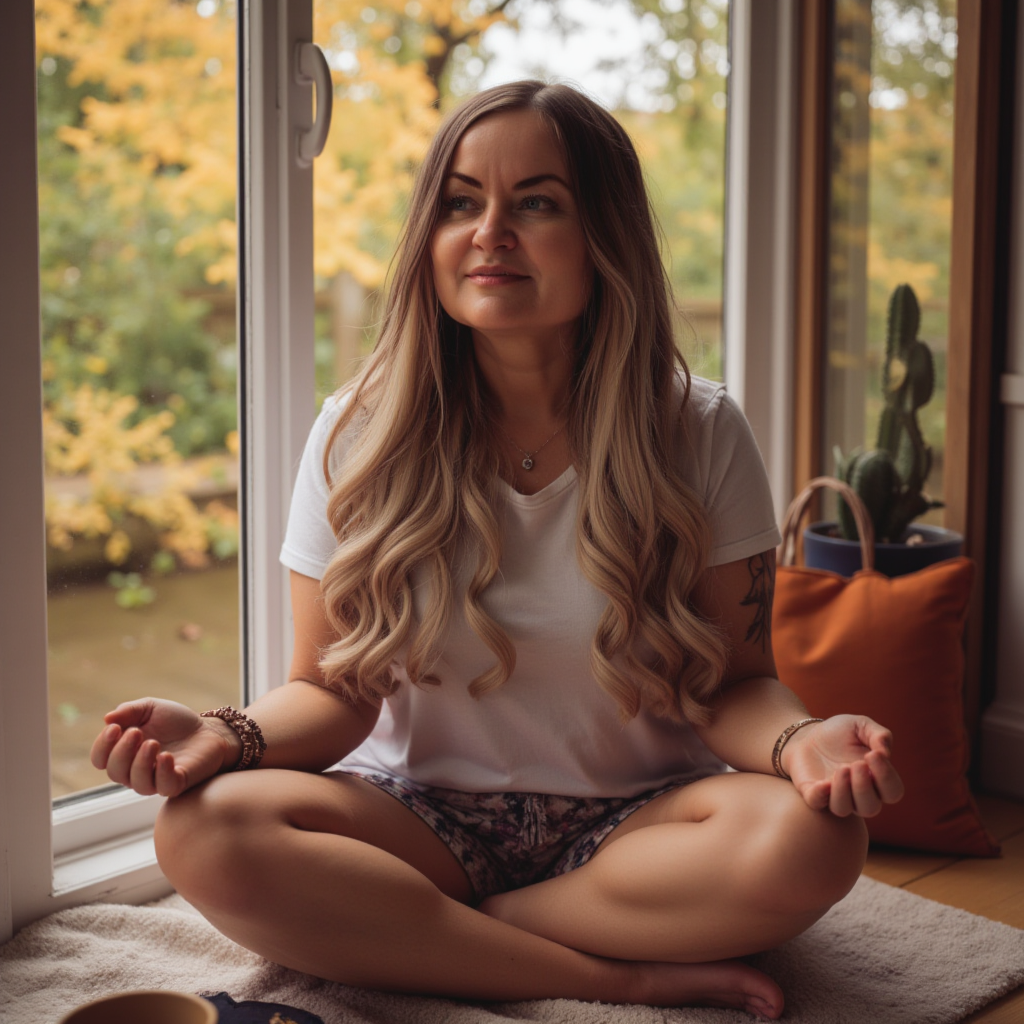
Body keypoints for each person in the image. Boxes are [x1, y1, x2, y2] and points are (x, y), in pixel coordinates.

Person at [90, 80, 903, 1020]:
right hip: (414, 812)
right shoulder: (355, 433)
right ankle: (603, 972)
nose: (489, 232)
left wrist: (803, 742)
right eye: (462, 202)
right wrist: (230, 735)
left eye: (538, 203)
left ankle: (444, 930)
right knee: (205, 831)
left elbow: (733, 685)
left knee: (818, 842)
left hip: (643, 819)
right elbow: (332, 690)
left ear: (605, 235)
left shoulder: (699, 427)